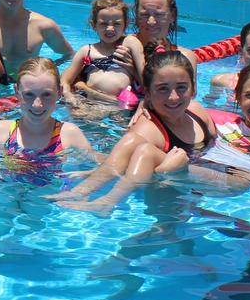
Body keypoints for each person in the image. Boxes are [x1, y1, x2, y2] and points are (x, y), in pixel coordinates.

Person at [49, 50, 213, 213]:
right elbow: (121, 162)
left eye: (182, 87)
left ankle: (86, 193)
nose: (173, 97)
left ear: (193, 88)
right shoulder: (147, 130)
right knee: (143, 150)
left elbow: (218, 147)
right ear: (148, 93)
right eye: (163, 89)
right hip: (178, 195)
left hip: (214, 180)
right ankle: (97, 198)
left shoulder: (197, 111)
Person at [0, 57, 101, 184]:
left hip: (47, 198)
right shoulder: (0, 130)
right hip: (6, 191)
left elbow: (108, 164)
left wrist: (86, 173)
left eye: (46, 94)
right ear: (17, 92)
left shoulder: (69, 133)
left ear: (59, 92)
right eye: (29, 94)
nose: (37, 104)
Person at [61, 0, 145, 111]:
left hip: (119, 107)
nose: (110, 28)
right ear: (93, 25)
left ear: (126, 24)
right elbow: (65, 80)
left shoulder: (129, 43)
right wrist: (68, 94)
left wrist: (132, 70)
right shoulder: (87, 50)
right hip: (89, 102)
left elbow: (147, 82)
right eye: (103, 24)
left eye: (116, 24)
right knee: (79, 114)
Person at [121, 0, 196, 68]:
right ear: (137, 16)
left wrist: (133, 70)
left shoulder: (186, 58)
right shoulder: (122, 49)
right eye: (144, 15)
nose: (151, 21)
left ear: (172, 16)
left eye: (159, 14)